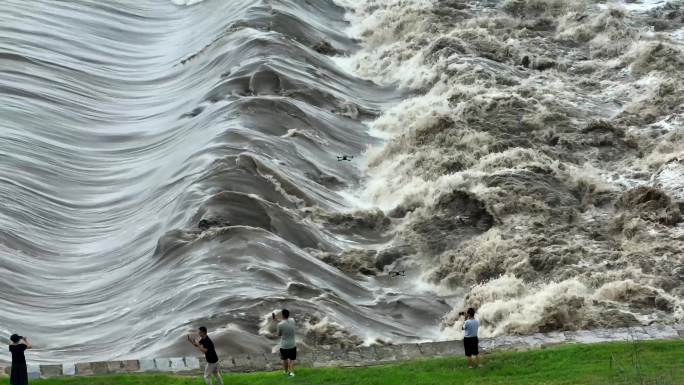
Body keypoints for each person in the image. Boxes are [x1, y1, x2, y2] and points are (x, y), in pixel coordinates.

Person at [274, 309, 296, 377]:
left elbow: (279, 335)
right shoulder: (293, 320)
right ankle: (291, 372)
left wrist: (276, 322)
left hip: (284, 346)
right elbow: (286, 321)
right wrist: (277, 320)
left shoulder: (279, 325)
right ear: (288, 315)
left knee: (285, 359)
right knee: (292, 360)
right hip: (292, 345)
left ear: (282, 315)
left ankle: (285, 371)